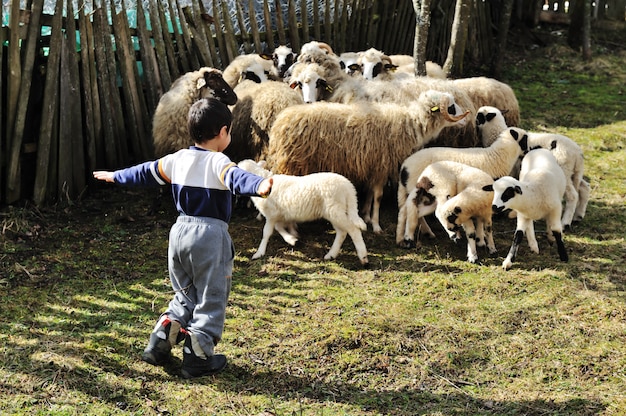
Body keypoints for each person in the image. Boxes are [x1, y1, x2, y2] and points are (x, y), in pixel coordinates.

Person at [93, 97, 273, 378]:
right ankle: (199, 355)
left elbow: (144, 172)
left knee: (186, 292)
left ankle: (161, 339)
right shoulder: (219, 161)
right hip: (209, 235)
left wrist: (117, 175)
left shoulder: (177, 159)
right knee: (211, 294)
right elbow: (237, 178)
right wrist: (259, 184)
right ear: (224, 132)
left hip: (179, 233)